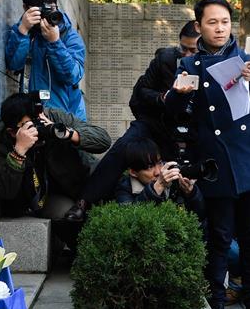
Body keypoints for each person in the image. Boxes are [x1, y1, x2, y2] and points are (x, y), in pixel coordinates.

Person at [164, 0, 250, 309]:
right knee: (220, 236)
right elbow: (174, 114)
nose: (219, 28)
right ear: (199, 27)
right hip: (214, 162)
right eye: (212, 22)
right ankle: (216, 302)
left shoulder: (247, 58)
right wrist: (178, 96)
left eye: (224, 22)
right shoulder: (189, 66)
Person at [63, 22, 200, 220]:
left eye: (193, 50)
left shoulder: (211, 67)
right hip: (156, 123)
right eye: (183, 49)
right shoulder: (166, 59)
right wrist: (164, 97)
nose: (187, 55)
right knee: (123, 147)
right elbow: (140, 93)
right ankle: (84, 203)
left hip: (193, 130)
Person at [0, 92, 110, 219]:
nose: (37, 128)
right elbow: (5, 192)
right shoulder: (5, 143)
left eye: (37, 121)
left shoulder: (53, 116)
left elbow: (103, 140)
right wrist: (19, 151)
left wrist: (65, 133)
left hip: (85, 180)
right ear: (12, 132)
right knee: (67, 215)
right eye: (30, 125)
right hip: (50, 197)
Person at [5, 0, 87, 120]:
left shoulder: (69, 36)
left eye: (51, 8)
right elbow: (13, 64)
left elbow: (72, 76)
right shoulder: (23, 31)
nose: (46, 14)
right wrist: (23, 30)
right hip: (32, 112)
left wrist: (55, 42)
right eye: (41, 9)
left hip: (67, 116)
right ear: (26, 8)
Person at [114, 137, 204, 221]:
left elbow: (200, 218)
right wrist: (158, 187)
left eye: (159, 162)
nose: (158, 172)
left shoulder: (173, 179)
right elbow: (130, 221)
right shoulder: (124, 188)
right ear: (133, 172)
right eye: (149, 167)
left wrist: (191, 194)